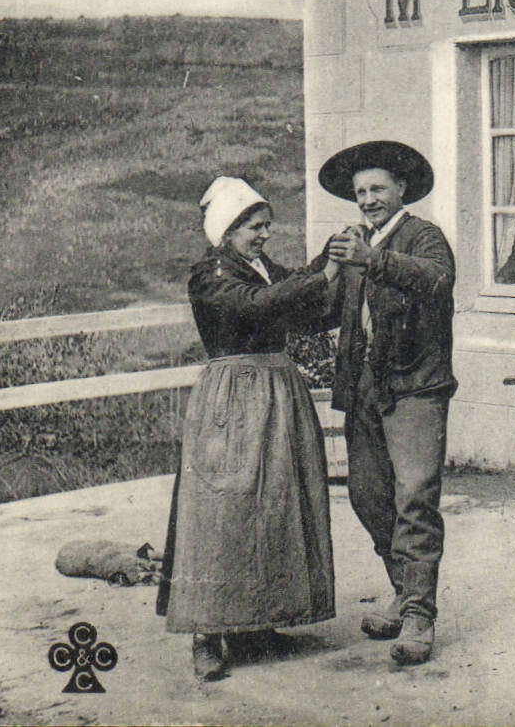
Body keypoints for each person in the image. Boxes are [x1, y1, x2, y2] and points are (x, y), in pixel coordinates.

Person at [158, 176, 339, 681]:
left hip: (277, 389)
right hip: (234, 395)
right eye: (254, 227)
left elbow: (308, 310)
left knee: (276, 501)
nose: (263, 235)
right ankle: (206, 632)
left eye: (265, 227)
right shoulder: (212, 274)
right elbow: (259, 305)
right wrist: (324, 269)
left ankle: (258, 621)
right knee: (223, 507)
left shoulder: (261, 268)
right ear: (228, 228)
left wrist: (338, 273)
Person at [318, 140, 456, 667]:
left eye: (377, 189)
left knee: (415, 498)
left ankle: (420, 614)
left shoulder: (424, 237)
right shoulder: (351, 242)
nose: (368, 200)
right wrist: (326, 273)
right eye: (360, 192)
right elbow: (319, 304)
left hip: (416, 385)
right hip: (364, 389)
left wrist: (373, 260)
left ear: (402, 189)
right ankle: (403, 590)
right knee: (367, 495)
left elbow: (438, 282)